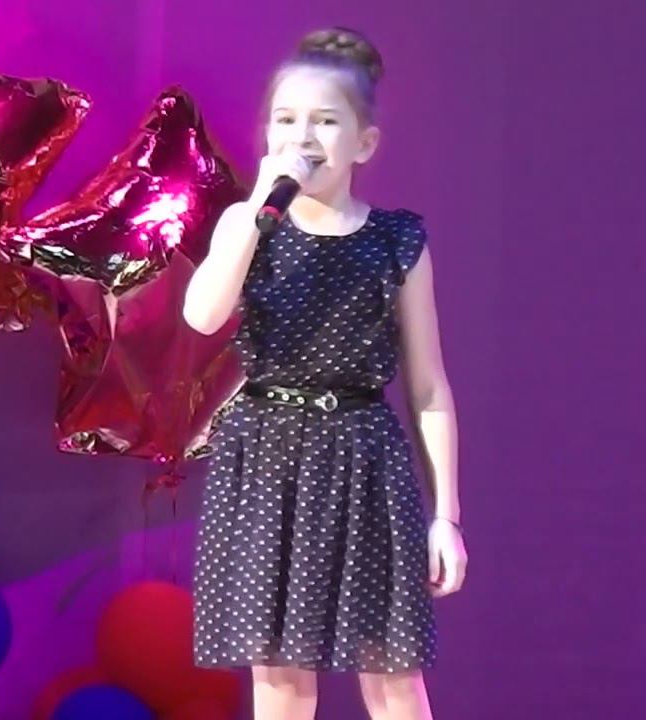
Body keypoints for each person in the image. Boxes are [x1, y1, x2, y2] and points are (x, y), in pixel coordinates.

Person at [183, 26, 466, 720]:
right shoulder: (248, 224)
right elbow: (203, 315)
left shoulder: (395, 240)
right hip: (267, 457)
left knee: (391, 669)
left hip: (363, 458)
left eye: (324, 120)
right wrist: (258, 209)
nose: (301, 136)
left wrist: (446, 516)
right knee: (280, 675)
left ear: (364, 143)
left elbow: (428, 386)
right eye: (285, 120)